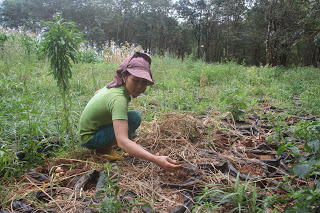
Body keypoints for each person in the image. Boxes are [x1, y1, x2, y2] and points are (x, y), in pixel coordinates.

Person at [78, 52, 182, 171]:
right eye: (135, 80)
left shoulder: (114, 86)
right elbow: (122, 141)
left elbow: (97, 93)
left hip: (92, 130)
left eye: (144, 82)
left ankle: (109, 143)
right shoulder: (119, 99)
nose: (139, 86)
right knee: (134, 119)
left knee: (133, 117)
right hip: (90, 139)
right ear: (124, 77)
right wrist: (155, 159)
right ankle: (101, 150)